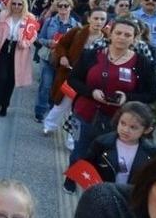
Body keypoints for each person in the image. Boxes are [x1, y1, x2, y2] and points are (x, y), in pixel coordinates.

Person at [65, 18, 156, 193]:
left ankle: (99, 190)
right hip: (84, 113)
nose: (122, 38)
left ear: (134, 38)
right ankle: (72, 178)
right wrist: (91, 92)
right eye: (118, 33)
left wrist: (127, 97)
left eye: (127, 35)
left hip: (119, 121)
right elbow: (73, 79)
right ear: (110, 34)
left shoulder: (142, 63)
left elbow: (152, 94)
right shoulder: (91, 55)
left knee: (107, 158)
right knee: (79, 151)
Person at [42, 7, 107, 136]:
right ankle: (49, 125)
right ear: (89, 19)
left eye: (102, 19)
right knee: (62, 104)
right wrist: (63, 57)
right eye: (96, 18)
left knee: (79, 111)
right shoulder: (77, 31)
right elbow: (61, 45)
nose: (99, 22)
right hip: (70, 75)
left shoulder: (107, 40)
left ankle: (73, 139)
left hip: (90, 81)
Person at [0, 0, 37, 117]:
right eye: (14, 3)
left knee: (11, 80)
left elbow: (34, 35)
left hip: (18, 50)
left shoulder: (30, 18)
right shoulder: (3, 15)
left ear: (24, 5)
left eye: (19, 4)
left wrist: (26, 43)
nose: (16, 6)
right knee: (1, 78)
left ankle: (5, 105)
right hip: (4, 47)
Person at [80, 101, 156, 184]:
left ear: (147, 130)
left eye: (133, 127)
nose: (125, 130)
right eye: (123, 123)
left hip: (128, 194)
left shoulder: (149, 152)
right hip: (102, 191)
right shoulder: (102, 143)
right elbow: (88, 165)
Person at [35, 0, 80, 123]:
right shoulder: (50, 21)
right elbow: (40, 38)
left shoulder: (76, 25)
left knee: (57, 87)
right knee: (46, 85)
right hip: (48, 58)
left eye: (66, 6)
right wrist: (49, 42)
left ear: (70, 8)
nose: (63, 8)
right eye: (60, 6)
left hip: (64, 62)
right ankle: (40, 111)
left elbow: (78, 44)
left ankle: (51, 110)